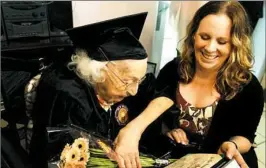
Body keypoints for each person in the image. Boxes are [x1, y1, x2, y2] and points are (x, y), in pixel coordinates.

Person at [114, 2, 264, 168]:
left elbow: (246, 137)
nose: (210, 48)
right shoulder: (174, 69)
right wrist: (167, 131)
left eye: (222, 42)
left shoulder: (249, 87)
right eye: (205, 37)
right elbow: (157, 114)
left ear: (235, 44)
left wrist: (233, 145)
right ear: (194, 35)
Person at [29, 12, 158, 168]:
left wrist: (135, 129)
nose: (133, 91)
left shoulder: (126, 85)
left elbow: (163, 92)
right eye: (127, 81)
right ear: (97, 72)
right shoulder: (69, 98)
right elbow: (60, 158)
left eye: (139, 80)